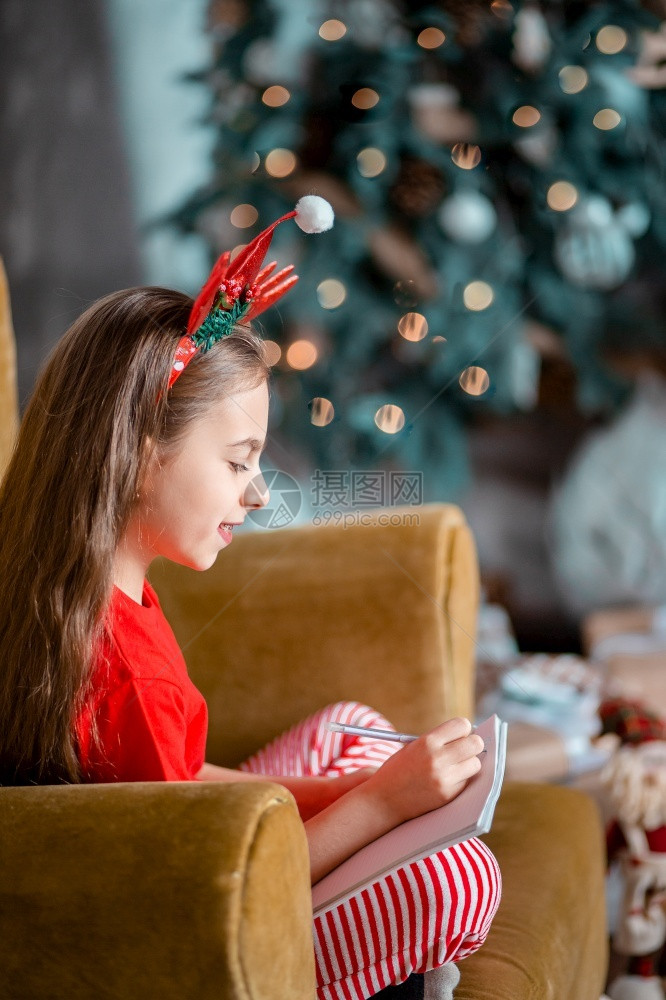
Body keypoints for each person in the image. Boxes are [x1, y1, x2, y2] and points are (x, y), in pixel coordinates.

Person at [0, 198, 501, 1000]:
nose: (261, 494)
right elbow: (202, 876)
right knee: (457, 880)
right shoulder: (125, 674)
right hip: (192, 924)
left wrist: (345, 792)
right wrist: (376, 806)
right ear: (137, 456)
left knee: (352, 727)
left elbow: (179, 774)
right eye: (238, 463)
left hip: (187, 843)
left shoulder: (98, 597)